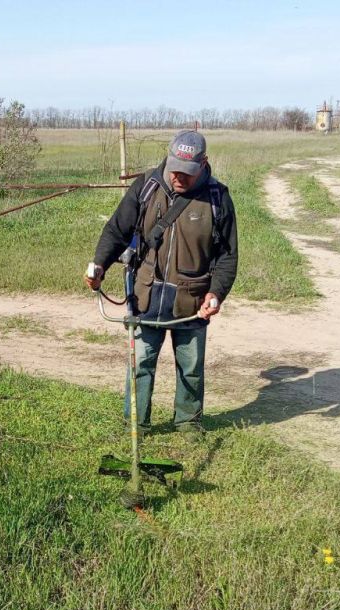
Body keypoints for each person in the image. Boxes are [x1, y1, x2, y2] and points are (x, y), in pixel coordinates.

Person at [85, 130, 238, 432]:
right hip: (146, 296)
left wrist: (216, 294)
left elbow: (228, 255)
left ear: (204, 163)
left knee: (191, 368)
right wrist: (100, 264)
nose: (179, 177)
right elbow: (116, 231)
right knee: (140, 364)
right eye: (175, 169)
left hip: (192, 301)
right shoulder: (146, 187)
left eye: (188, 172)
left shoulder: (218, 198)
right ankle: (136, 425)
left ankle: (188, 424)